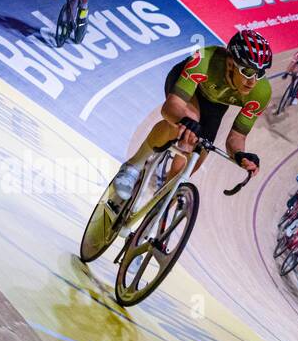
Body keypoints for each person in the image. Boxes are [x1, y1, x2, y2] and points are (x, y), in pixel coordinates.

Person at [106, 29, 272, 215]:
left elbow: (237, 136)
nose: (253, 81)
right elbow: (171, 107)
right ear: (231, 63)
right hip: (187, 88)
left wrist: (240, 154)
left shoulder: (261, 93)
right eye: (247, 72)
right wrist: (183, 121)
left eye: (260, 73)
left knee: (200, 152)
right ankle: (133, 166)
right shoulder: (204, 60)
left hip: (215, 104)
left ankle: (161, 202)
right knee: (186, 126)